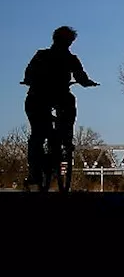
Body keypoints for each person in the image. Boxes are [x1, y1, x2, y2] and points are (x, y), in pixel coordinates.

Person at [21, 26, 99, 186]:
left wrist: (31, 80)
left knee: (37, 135)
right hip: (58, 96)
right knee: (69, 105)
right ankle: (66, 136)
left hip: (38, 97)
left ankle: (35, 172)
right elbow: (81, 77)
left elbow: (28, 74)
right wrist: (88, 83)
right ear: (70, 42)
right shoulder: (71, 59)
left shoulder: (41, 55)